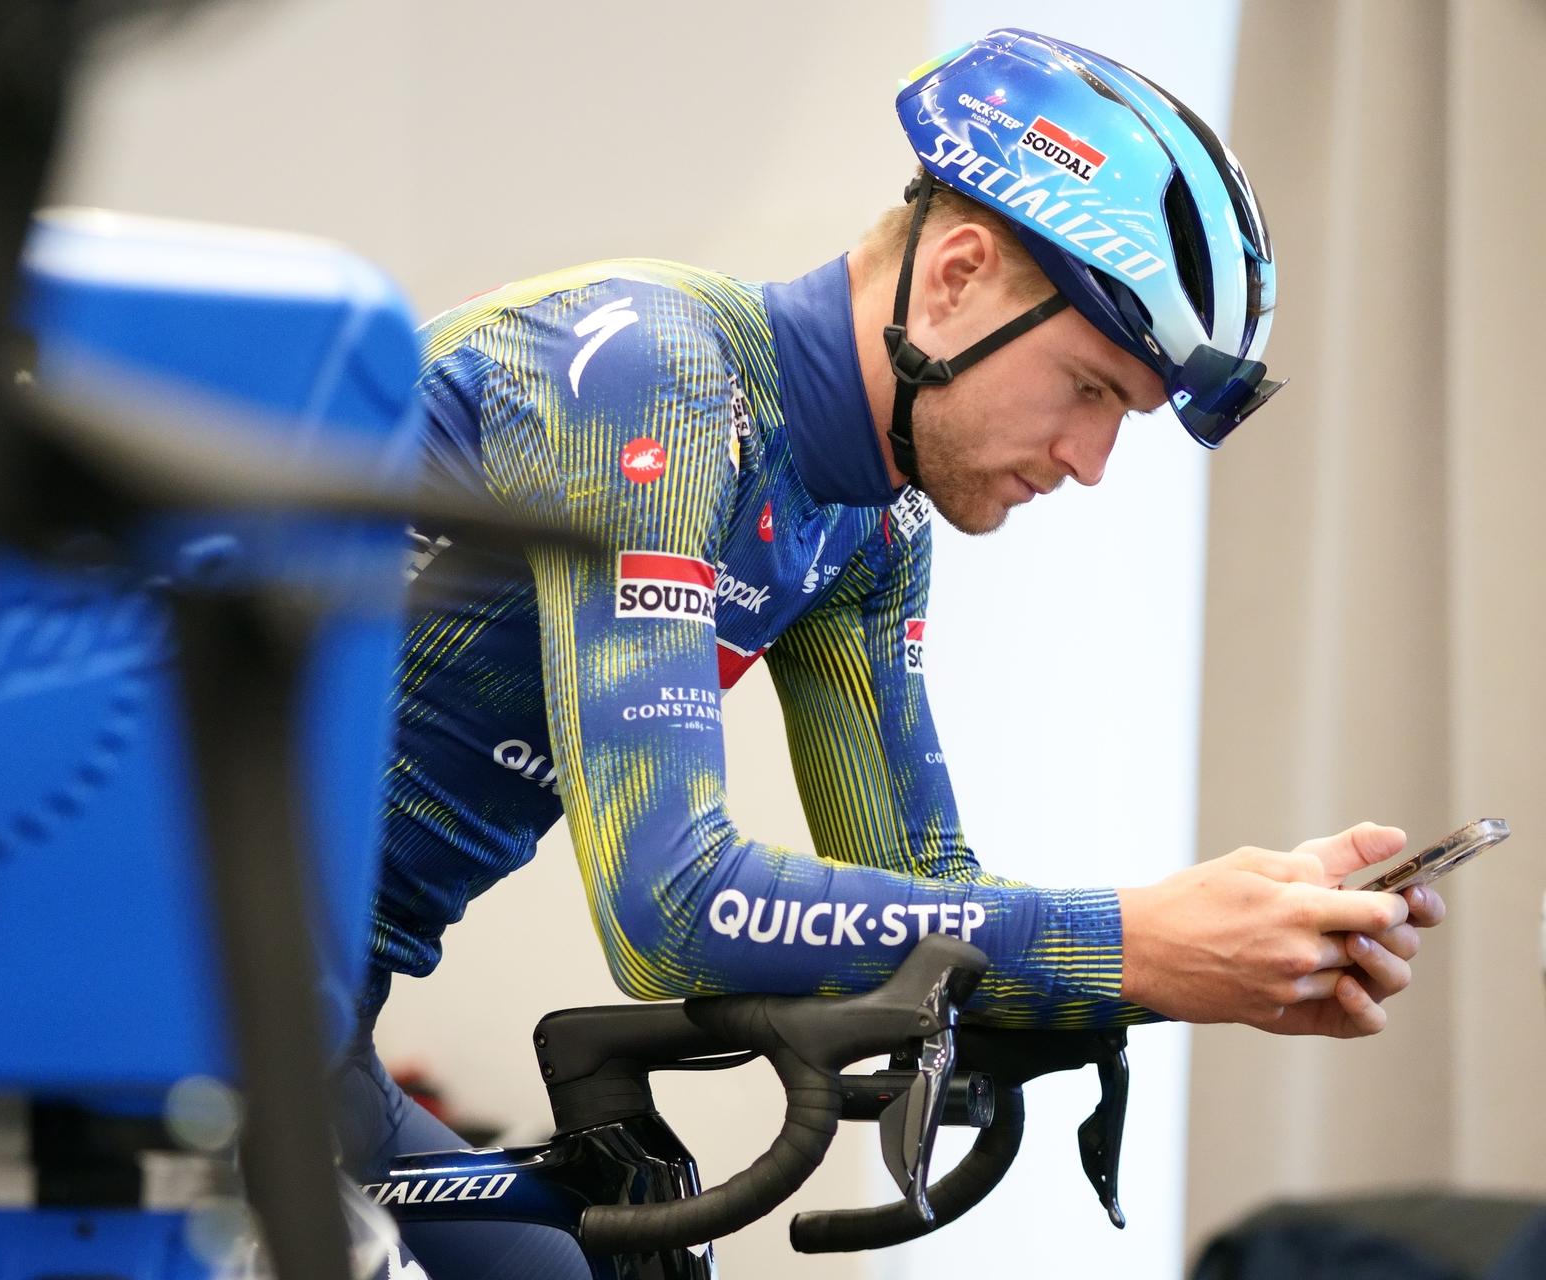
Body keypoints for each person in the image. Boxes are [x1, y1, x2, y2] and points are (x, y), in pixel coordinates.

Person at [336, 28, 1447, 1279]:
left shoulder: (866, 526)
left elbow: (921, 890)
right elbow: (674, 904)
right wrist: (1139, 936)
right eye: (1087, 389)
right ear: (959, 273)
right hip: (134, 996)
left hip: (303, 1030)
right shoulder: (657, 378)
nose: (1090, 463)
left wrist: (1218, 946)